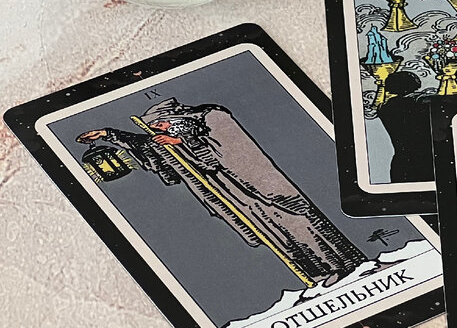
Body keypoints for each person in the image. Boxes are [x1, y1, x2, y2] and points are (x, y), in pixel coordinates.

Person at [77, 97, 366, 287]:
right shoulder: (174, 135)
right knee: (272, 232)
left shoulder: (212, 117)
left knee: (295, 224)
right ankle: (317, 273)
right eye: (156, 128)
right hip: (231, 194)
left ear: (175, 117)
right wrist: (108, 135)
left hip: (258, 187)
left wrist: (182, 143)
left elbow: (228, 150)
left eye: (161, 125)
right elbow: (148, 145)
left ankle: (342, 265)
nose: (160, 130)